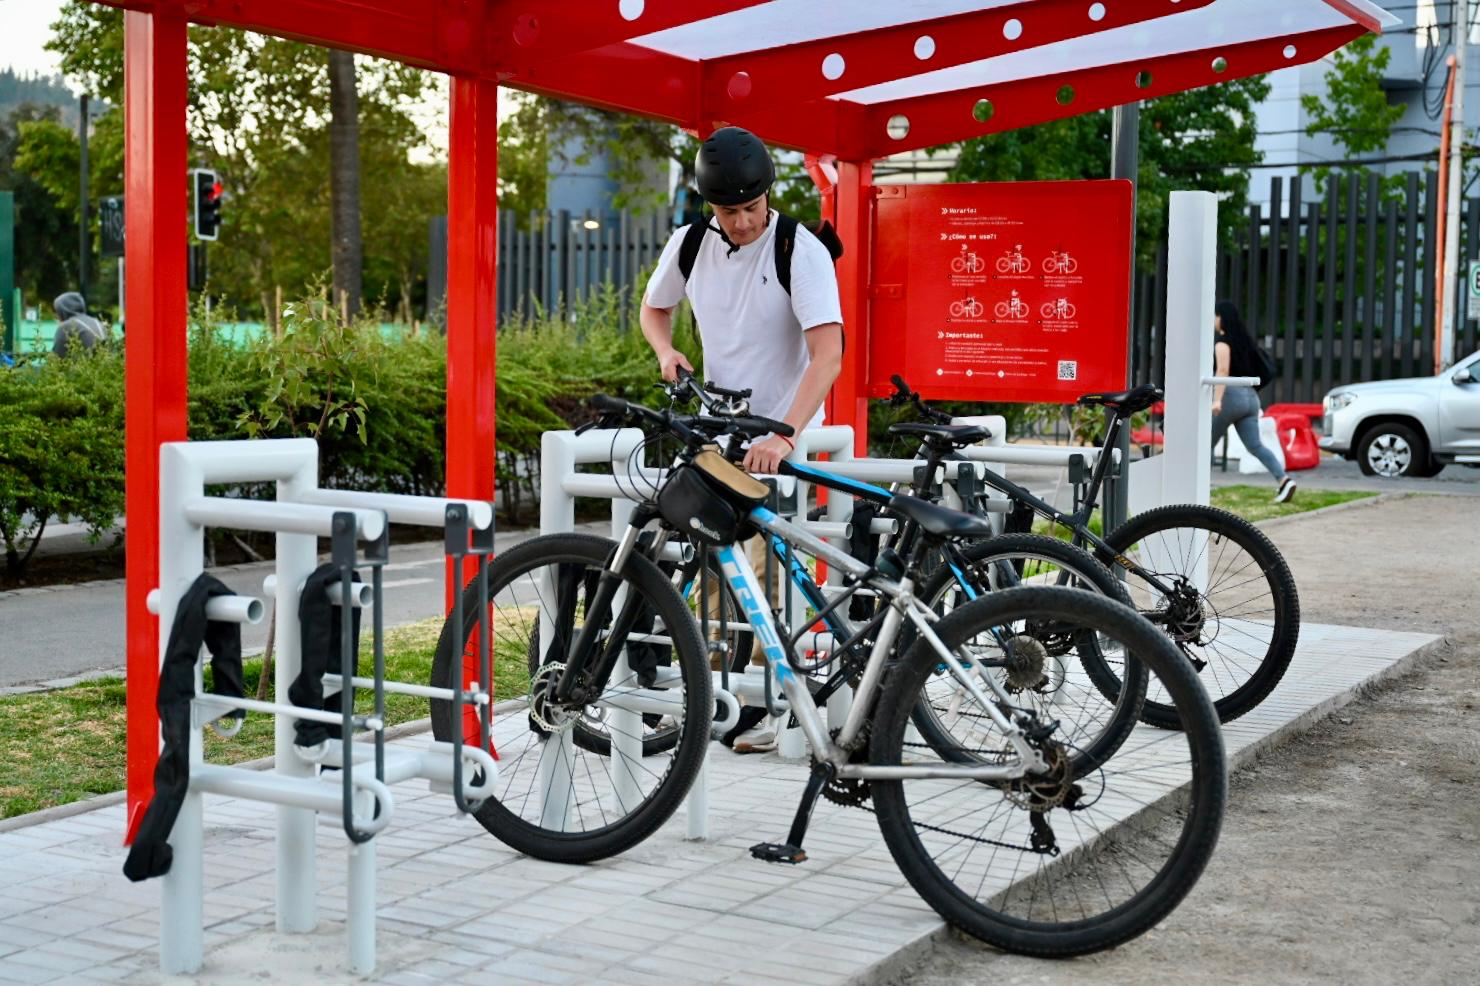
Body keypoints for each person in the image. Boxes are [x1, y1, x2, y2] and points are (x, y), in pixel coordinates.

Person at [640, 126, 845, 752]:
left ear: (768, 197)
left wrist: (785, 433)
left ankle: (767, 707)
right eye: (731, 212)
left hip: (777, 436)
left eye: (753, 208)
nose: (744, 222)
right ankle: (710, 699)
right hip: (714, 430)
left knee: (762, 572)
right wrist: (665, 350)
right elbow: (655, 309)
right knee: (706, 566)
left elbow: (828, 354)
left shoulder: (797, 248)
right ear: (711, 206)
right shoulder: (690, 244)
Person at [1212, 300, 1295, 503]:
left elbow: (1222, 371)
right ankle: (1284, 480)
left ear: (1222, 318)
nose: (1214, 320)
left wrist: (1216, 400)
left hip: (1230, 396)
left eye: (1215, 316)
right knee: (1256, 446)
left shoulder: (1222, 343)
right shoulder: (1245, 342)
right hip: (1251, 399)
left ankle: (1193, 487)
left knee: (1204, 444)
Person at [51, 292, 107, 357]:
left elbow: (56, 358)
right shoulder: (96, 321)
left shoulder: (66, 326)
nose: (56, 315)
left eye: (57, 311)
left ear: (63, 310)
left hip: (85, 365)